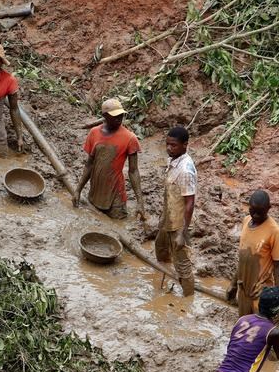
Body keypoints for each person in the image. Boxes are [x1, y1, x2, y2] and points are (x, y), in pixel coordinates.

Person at [72, 98, 145, 220]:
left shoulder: (130, 138)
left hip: (116, 196)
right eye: (115, 115)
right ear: (104, 116)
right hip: (95, 193)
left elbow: (133, 171)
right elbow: (89, 165)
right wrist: (78, 190)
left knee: (118, 224)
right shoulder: (94, 133)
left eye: (121, 114)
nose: (119, 118)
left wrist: (140, 202)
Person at [228, 189, 279, 317]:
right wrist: (233, 284)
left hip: (260, 292)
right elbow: (243, 259)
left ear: (268, 209)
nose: (255, 215)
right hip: (243, 289)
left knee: (260, 330)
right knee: (244, 325)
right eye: (252, 210)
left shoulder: (274, 232)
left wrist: (278, 297)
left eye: (260, 212)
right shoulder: (245, 221)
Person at [155, 126, 196, 296]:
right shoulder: (173, 160)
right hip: (168, 219)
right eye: (167, 144)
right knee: (160, 248)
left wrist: (182, 233)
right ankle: (160, 277)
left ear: (185, 145)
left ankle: (188, 298)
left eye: (173, 145)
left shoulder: (185, 170)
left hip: (178, 224)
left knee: (183, 265)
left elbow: (190, 203)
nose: (169, 148)